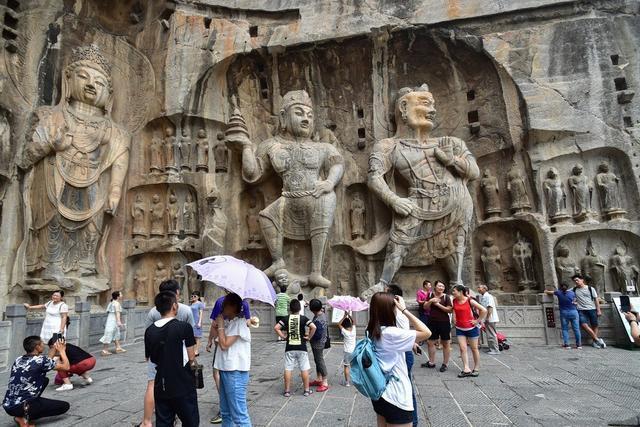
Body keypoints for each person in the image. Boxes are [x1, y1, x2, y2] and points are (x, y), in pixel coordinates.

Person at [367, 292, 431, 427]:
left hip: (380, 392)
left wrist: (411, 344)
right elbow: (426, 333)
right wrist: (404, 310)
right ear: (388, 310)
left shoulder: (372, 330)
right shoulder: (391, 333)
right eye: (394, 307)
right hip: (396, 396)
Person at [139, 279, 195, 427]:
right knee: (190, 419)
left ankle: (147, 421)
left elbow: (149, 357)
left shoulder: (150, 330)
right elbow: (191, 357)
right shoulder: (184, 325)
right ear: (174, 305)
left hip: (160, 380)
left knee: (164, 419)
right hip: (181, 379)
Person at [3, 336, 71, 427]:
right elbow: (66, 367)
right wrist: (62, 351)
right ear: (37, 347)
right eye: (42, 343)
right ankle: (23, 417)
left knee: (44, 380)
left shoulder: (18, 359)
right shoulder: (41, 360)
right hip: (22, 407)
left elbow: (48, 361)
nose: (44, 345)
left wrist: (54, 348)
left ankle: (24, 412)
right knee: (64, 406)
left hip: (8, 405)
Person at [206, 292, 252, 424]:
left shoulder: (241, 323)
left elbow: (225, 345)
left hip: (235, 371)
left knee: (239, 414)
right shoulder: (229, 322)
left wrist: (220, 326)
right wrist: (219, 328)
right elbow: (219, 342)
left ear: (233, 307)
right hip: (225, 368)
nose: (222, 308)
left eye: (225, 305)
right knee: (226, 412)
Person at [385, 284, 417, 427]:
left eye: (386, 294)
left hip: (403, 353)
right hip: (401, 351)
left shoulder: (399, 314)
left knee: (406, 387)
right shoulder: (395, 313)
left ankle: (412, 421)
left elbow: (421, 333)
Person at [274, 299, 317, 397]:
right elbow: (314, 327)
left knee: (288, 369)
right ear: (300, 308)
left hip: (290, 347)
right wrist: (309, 337)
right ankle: (306, 390)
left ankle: (287, 391)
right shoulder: (303, 318)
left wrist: (283, 336)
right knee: (304, 369)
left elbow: (276, 327)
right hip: (301, 347)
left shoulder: (286, 318)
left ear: (290, 308)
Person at [451, 285, 487, 378]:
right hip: (460, 328)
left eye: (454, 291)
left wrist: (477, 321)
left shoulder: (470, 300)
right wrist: (454, 317)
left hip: (471, 328)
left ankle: (476, 368)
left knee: (474, 349)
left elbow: (483, 310)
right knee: (462, 348)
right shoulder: (454, 300)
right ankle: (466, 369)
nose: (453, 292)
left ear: (460, 292)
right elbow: (454, 309)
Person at [421, 280, 453, 372]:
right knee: (430, 342)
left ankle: (445, 364)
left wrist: (438, 305)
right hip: (432, 321)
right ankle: (431, 362)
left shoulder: (446, 297)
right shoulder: (430, 295)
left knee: (446, 343)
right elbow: (425, 307)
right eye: (439, 286)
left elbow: (449, 310)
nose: (441, 288)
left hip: (444, 322)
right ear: (435, 287)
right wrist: (431, 301)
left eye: (443, 286)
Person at [572, 274, 606, 348]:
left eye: (577, 280)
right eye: (575, 281)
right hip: (581, 310)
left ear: (582, 280)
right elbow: (566, 292)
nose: (576, 282)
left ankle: (594, 341)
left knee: (595, 325)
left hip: (592, 309)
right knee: (584, 325)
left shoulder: (590, 289)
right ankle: (597, 339)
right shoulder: (574, 289)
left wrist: (598, 310)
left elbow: (596, 299)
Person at [544, 283, 581, 349]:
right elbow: (575, 302)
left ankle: (567, 344)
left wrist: (546, 291)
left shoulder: (558, 293)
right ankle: (579, 345)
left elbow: (550, 292)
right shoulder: (572, 293)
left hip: (564, 313)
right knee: (576, 329)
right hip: (574, 312)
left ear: (560, 287)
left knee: (565, 329)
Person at [309, 299, 329, 392]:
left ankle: (324, 381)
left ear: (312, 309)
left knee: (320, 360)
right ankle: (319, 378)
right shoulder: (321, 315)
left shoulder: (319, 319)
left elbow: (317, 335)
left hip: (318, 343)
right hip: (320, 342)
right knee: (317, 360)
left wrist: (308, 336)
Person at [99, 291, 126, 356]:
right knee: (109, 333)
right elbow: (117, 313)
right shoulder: (116, 304)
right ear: (118, 296)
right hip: (113, 320)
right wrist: (119, 321)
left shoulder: (111, 303)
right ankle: (105, 350)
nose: (122, 295)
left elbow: (109, 312)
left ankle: (118, 348)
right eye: (121, 294)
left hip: (110, 319)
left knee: (116, 333)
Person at [477, 284, 500, 355]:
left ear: (484, 289)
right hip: (487, 318)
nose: (478, 289)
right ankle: (492, 348)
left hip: (490, 318)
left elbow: (490, 307)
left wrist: (487, 318)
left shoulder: (488, 296)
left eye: (479, 287)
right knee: (489, 334)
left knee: (491, 334)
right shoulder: (484, 296)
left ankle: (495, 350)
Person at [337, 312, 356, 386]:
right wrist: (349, 315)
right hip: (354, 350)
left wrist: (344, 316)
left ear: (344, 326)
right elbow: (354, 322)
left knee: (346, 366)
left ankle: (347, 382)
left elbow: (339, 324)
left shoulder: (345, 332)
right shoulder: (354, 330)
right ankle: (355, 381)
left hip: (347, 351)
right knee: (354, 366)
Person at [190, 291, 205, 356]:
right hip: (192, 321)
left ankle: (196, 351)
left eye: (195, 296)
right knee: (193, 336)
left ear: (198, 297)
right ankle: (193, 350)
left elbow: (201, 313)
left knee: (197, 337)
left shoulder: (199, 303)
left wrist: (199, 322)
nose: (193, 297)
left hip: (197, 320)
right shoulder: (192, 303)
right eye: (192, 296)